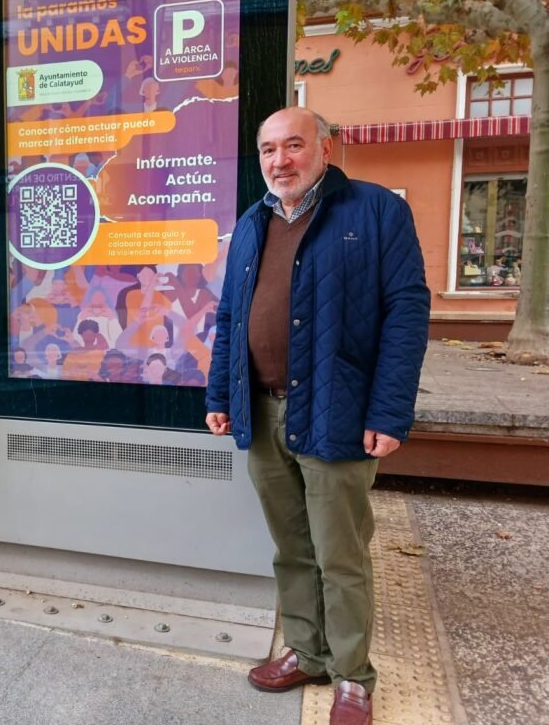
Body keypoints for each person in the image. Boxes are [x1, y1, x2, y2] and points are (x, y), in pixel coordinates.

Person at [205, 107, 430, 725]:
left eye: (294, 145)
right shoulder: (252, 223)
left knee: (342, 554)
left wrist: (390, 412)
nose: (281, 161)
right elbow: (230, 318)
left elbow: (406, 315)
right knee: (292, 548)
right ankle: (307, 651)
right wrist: (220, 396)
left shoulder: (377, 212)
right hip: (263, 410)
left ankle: (354, 678)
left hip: (339, 413)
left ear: (326, 148)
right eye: (268, 150)